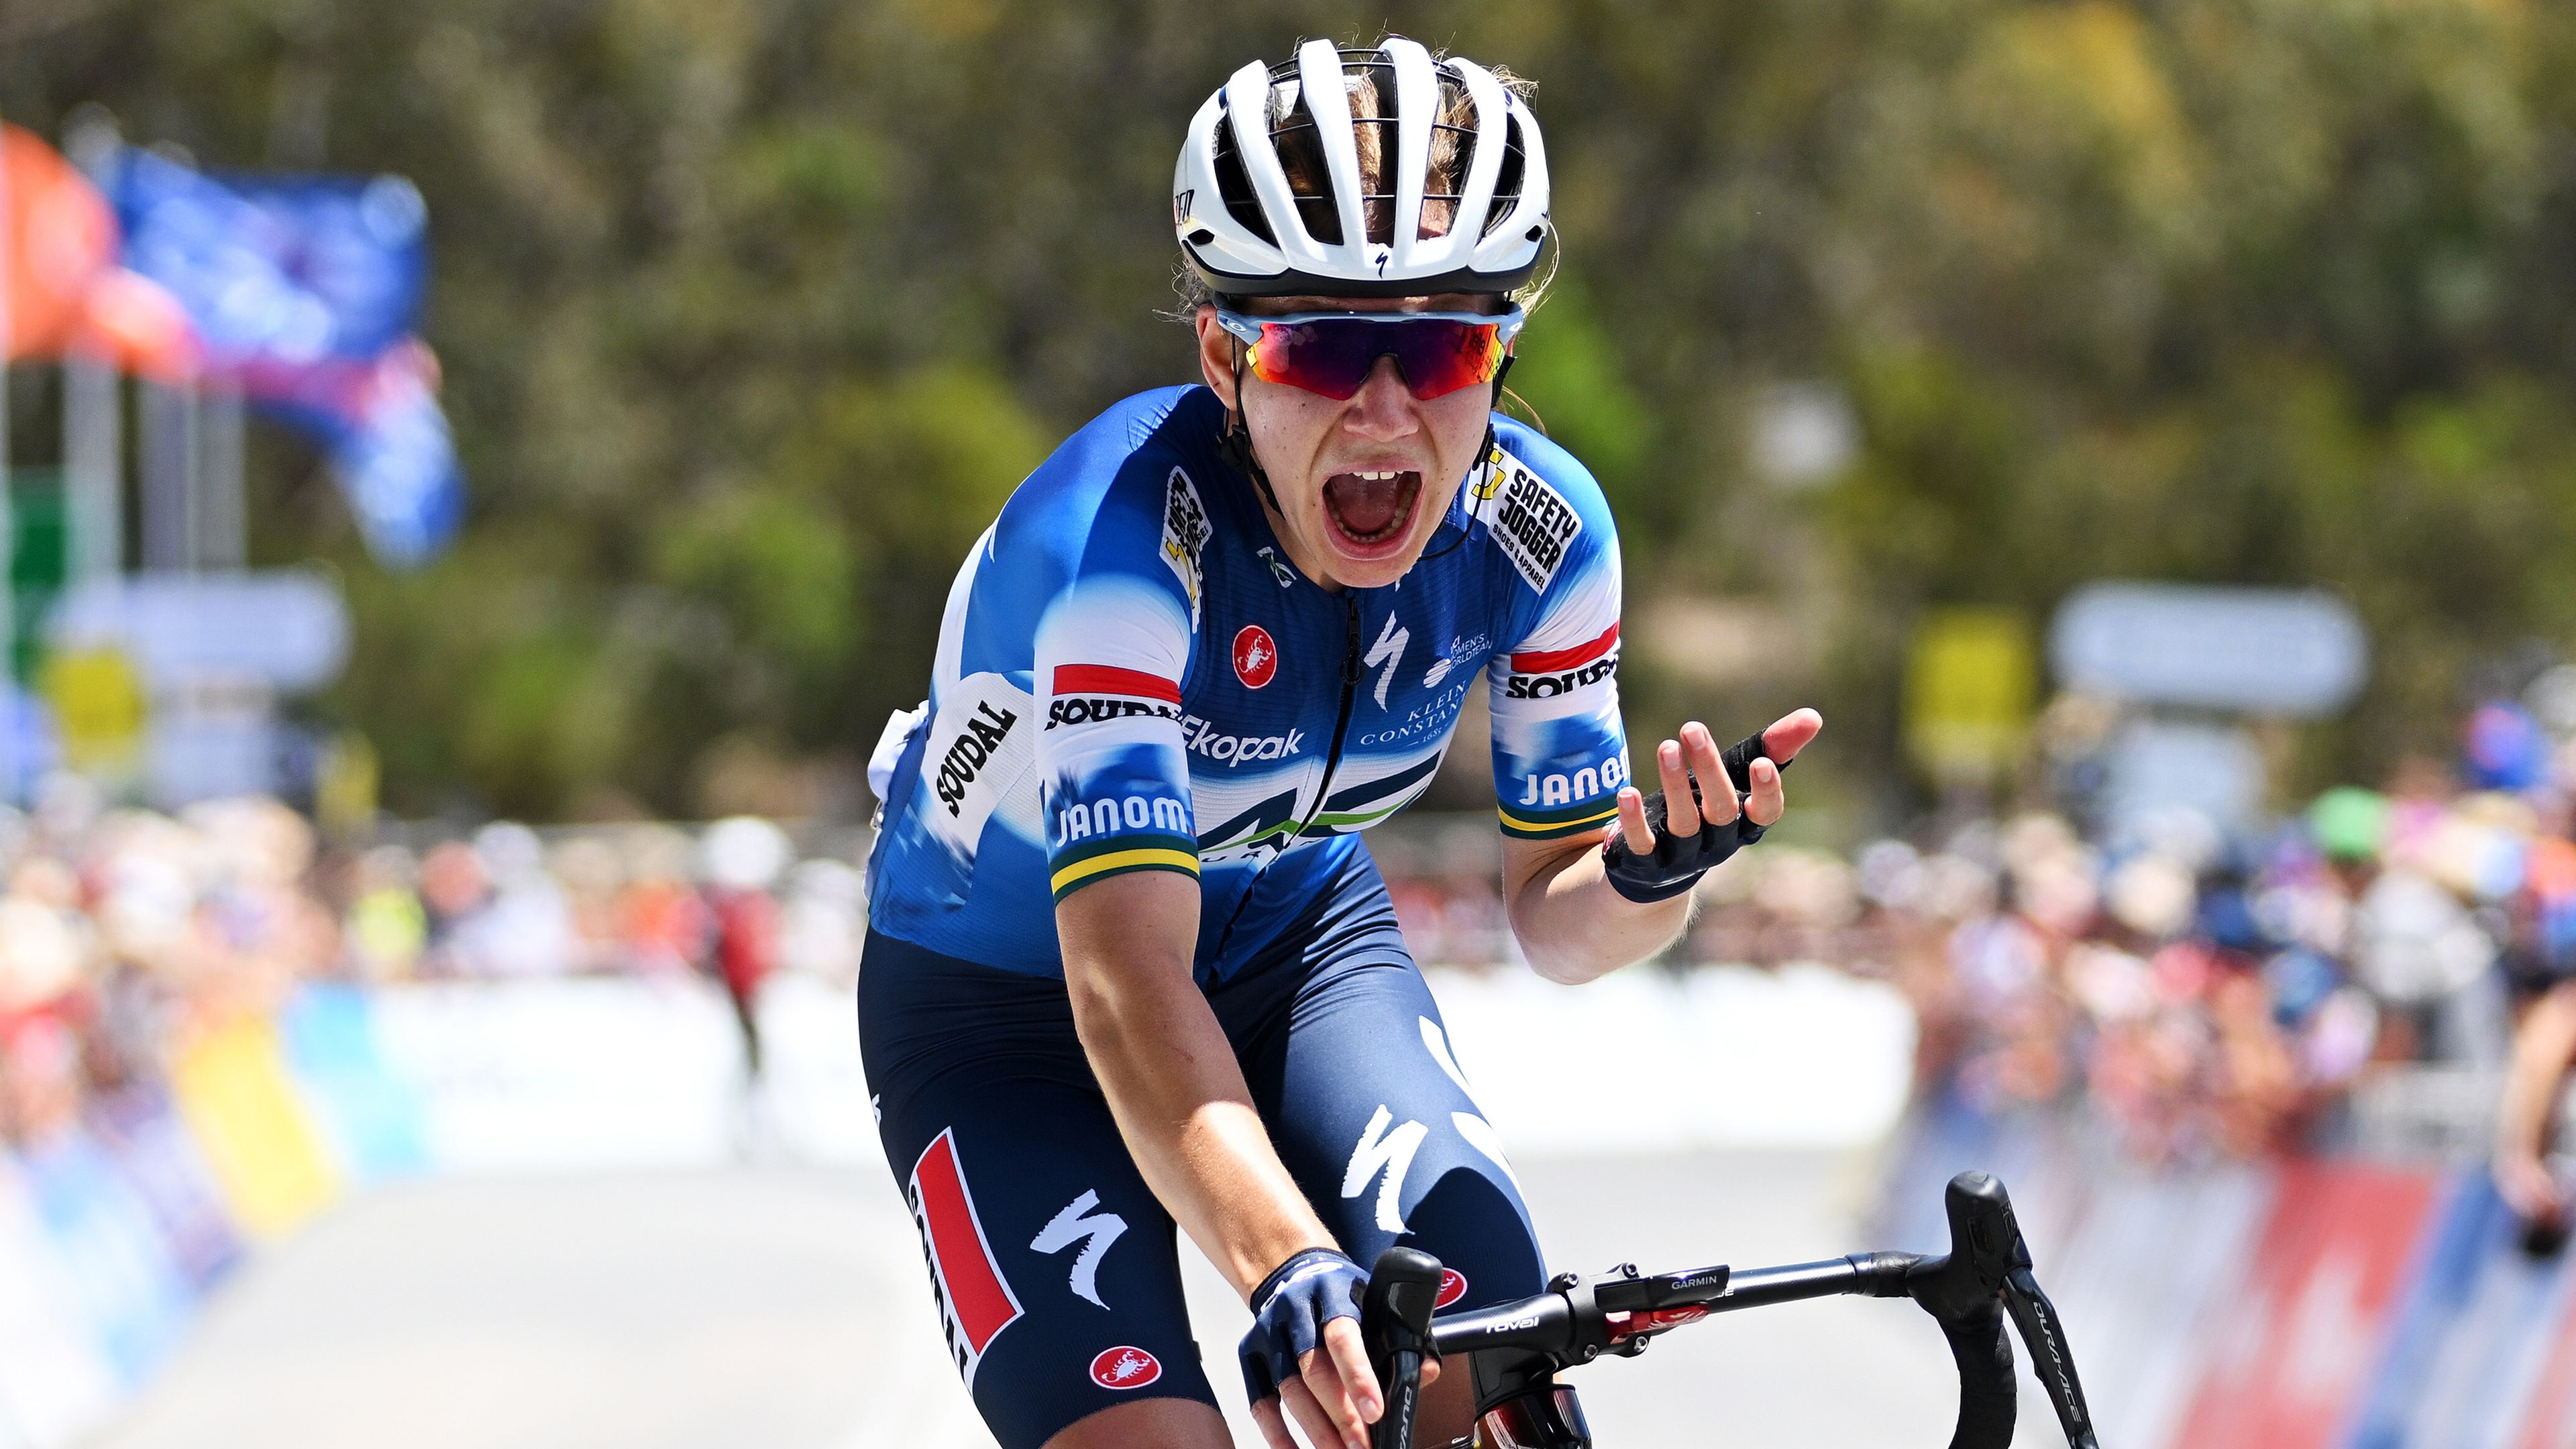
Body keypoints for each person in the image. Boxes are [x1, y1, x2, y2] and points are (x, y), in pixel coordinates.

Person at [857, 37, 1822, 1449]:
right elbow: (1123, 984)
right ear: (1222, 353)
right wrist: (1284, 1263)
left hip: (1300, 958)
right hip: (1009, 1014)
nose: (1384, 414)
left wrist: (1647, 879)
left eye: (1438, 347)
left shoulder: (1542, 537)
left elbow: (1553, 925)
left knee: (1487, 1393)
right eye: (1319, 347)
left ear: (1499, 351)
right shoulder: (1115, 555)